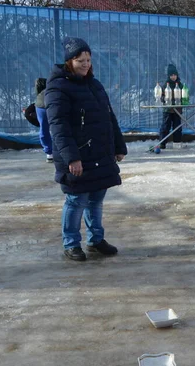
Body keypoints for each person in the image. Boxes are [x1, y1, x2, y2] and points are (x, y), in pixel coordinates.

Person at [45, 37, 127, 262]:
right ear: (69, 61)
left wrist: (118, 146)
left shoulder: (94, 84)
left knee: (96, 199)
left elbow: (109, 118)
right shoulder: (57, 87)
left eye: (88, 59)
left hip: (100, 154)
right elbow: (58, 127)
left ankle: (95, 239)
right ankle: (71, 243)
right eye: (81, 60)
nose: (86, 64)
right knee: (76, 200)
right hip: (77, 155)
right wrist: (72, 158)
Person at [159, 64, 184, 149]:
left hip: (177, 110)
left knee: (177, 126)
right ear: (169, 76)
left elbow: (184, 96)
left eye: (175, 75)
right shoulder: (165, 85)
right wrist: (164, 99)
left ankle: (177, 143)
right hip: (168, 110)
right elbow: (161, 96)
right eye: (171, 75)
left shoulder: (180, 85)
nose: (173, 77)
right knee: (166, 126)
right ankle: (162, 143)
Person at [34, 78, 53, 163]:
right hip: (50, 104)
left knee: (44, 128)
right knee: (59, 127)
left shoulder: (41, 92)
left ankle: (49, 152)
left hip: (40, 105)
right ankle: (52, 151)